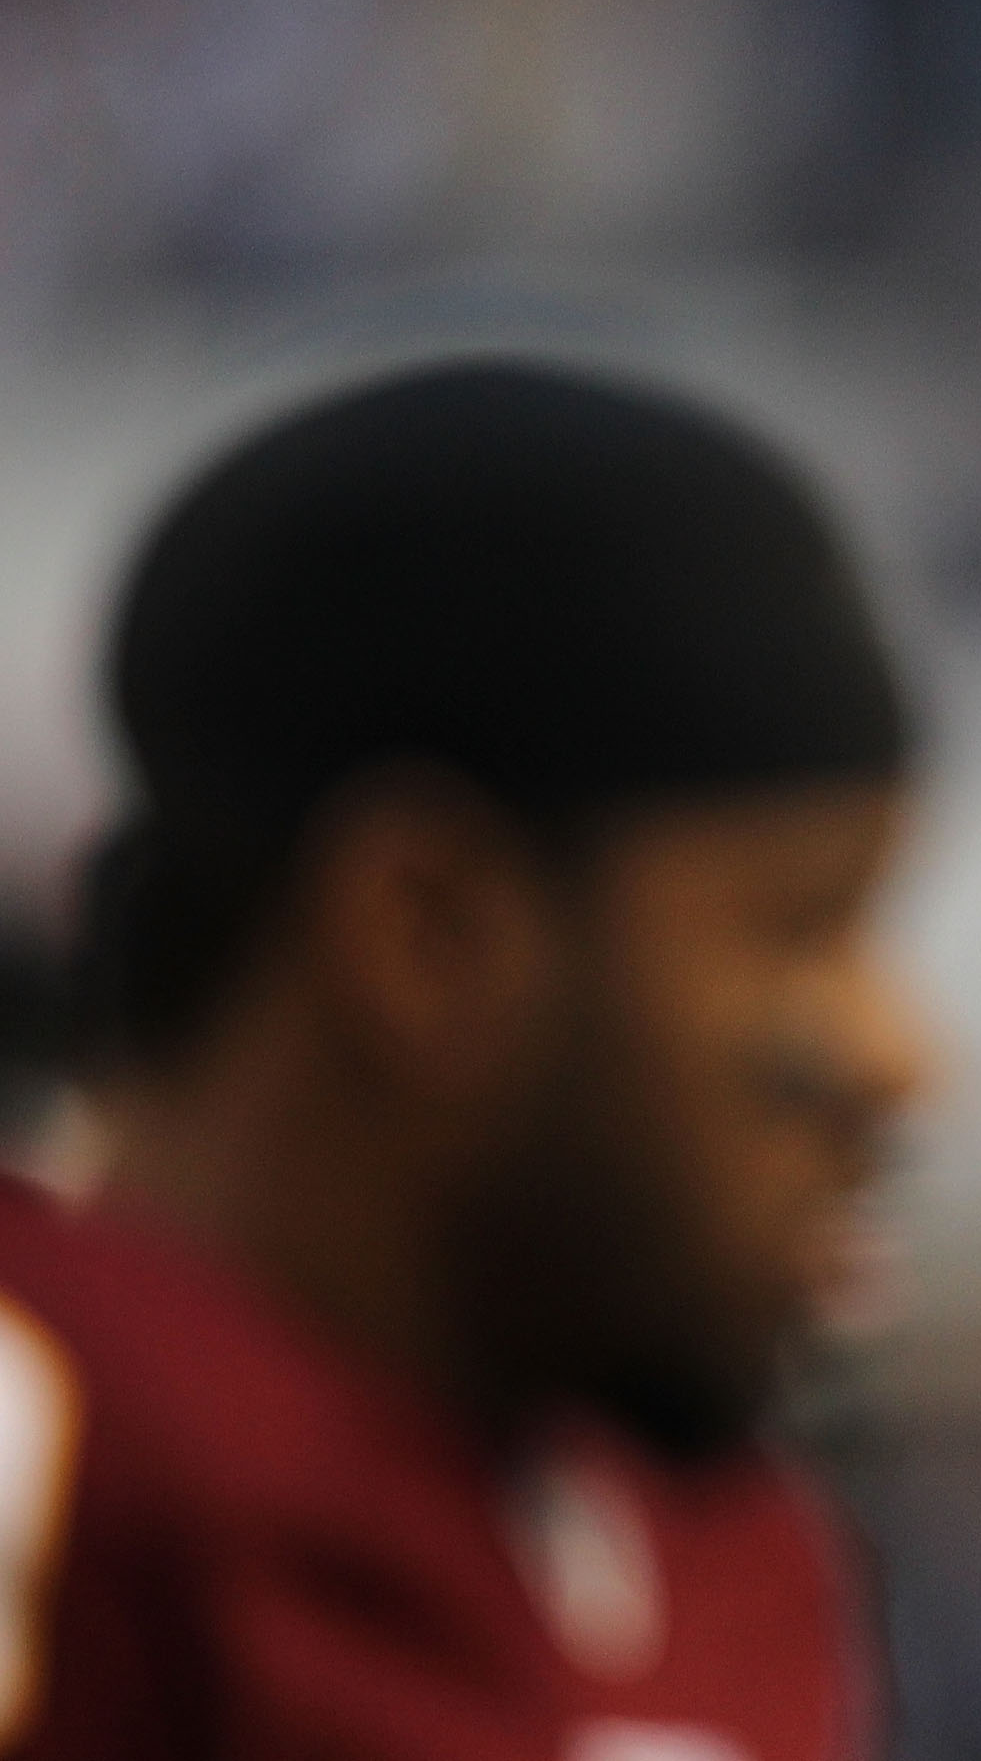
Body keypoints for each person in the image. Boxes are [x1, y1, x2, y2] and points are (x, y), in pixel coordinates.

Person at [0, 361, 929, 1760]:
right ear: (426, 932)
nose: (903, 1056)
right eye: (798, 930)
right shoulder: (53, 1447)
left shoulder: (726, 1544)